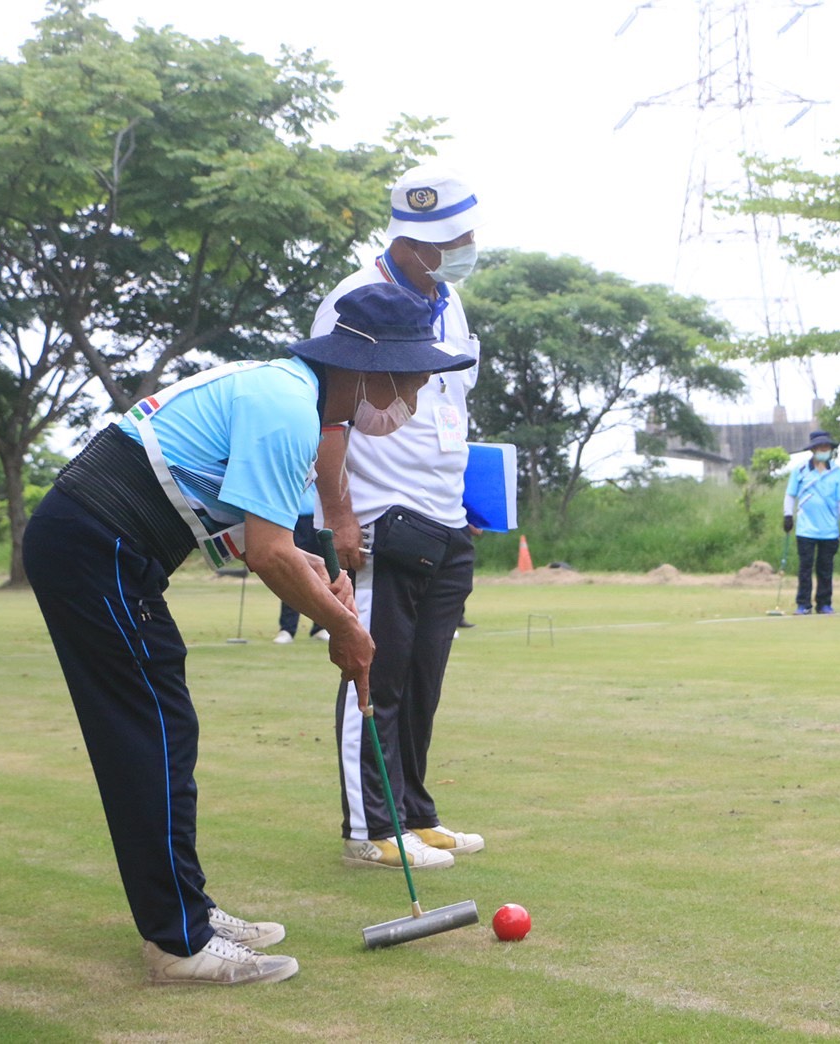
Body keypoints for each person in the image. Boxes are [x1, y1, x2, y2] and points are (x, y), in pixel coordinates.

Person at [22, 284, 473, 987]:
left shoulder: (286, 394)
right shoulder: (286, 408)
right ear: (369, 368)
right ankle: (179, 941)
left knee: (166, 727)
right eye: (413, 375)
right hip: (93, 544)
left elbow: (253, 539)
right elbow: (266, 553)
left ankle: (185, 909)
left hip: (106, 548)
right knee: (151, 734)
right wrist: (346, 628)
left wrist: (319, 579)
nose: (415, 393)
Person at [314, 164, 485, 872]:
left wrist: (468, 502)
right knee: (376, 674)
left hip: (447, 516)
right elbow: (329, 422)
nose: (463, 247)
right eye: (449, 239)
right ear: (409, 243)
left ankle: (415, 813)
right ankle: (370, 828)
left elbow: (451, 406)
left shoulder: (451, 302)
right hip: (384, 517)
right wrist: (341, 519)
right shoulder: (356, 300)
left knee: (422, 679)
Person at [783, 430, 840, 615]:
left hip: (829, 529)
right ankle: (803, 604)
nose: (824, 450)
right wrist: (788, 515)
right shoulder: (800, 470)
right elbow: (790, 495)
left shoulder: (837, 473)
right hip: (806, 529)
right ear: (813, 450)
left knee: (825, 568)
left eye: (827, 447)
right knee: (805, 568)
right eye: (821, 447)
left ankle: (824, 603)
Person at [272, 484, 329, 644]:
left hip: (318, 520)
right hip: (293, 520)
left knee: (321, 572)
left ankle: (321, 626)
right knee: (291, 573)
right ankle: (287, 629)